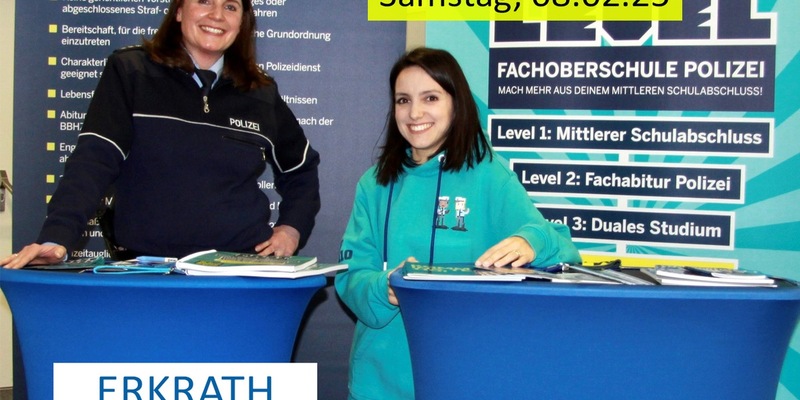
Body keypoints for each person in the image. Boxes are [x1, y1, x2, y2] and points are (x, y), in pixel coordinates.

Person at [334, 47, 582, 400]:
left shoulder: (488, 173)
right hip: (381, 380)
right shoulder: (373, 184)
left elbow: (562, 246)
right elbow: (350, 275)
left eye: (430, 97)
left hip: (465, 373)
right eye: (403, 100)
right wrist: (383, 288)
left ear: (456, 103)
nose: (415, 112)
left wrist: (530, 241)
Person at [1, 0, 320, 269]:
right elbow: (93, 161)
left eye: (231, 6)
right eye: (204, 1)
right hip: (147, 271)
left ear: (242, 23)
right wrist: (57, 238)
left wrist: (291, 229)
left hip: (236, 272)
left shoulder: (260, 93)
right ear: (179, 11)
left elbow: (301, 170)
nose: (217, 15)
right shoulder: (130, 71)